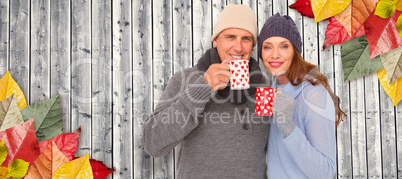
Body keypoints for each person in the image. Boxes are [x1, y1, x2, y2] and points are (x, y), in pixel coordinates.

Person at [258, 13, 346, 178]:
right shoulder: (271, 89)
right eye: (267, 46)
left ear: (295, 50)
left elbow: (325, 172)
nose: (275, 54)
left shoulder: (314, 93)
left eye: (284, 46)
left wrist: (289, 128)